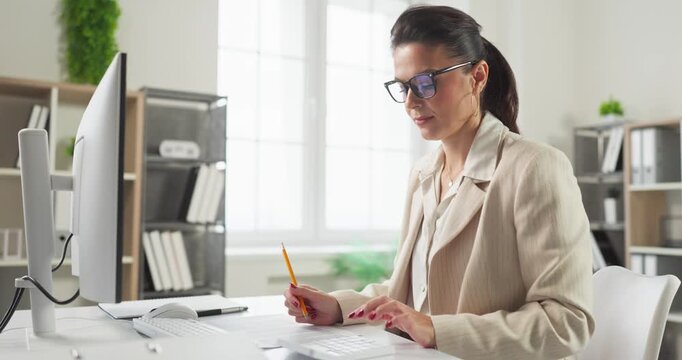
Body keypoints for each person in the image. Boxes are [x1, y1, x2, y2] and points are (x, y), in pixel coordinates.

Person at [284, 5, 594, 359]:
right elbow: (412, 292)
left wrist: (436, 329)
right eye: (404, 87)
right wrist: (338, 308)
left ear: (477, 77)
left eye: (426, 82)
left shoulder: (536, 168)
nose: (412, 102)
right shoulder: (423, 174)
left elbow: (566, 322)